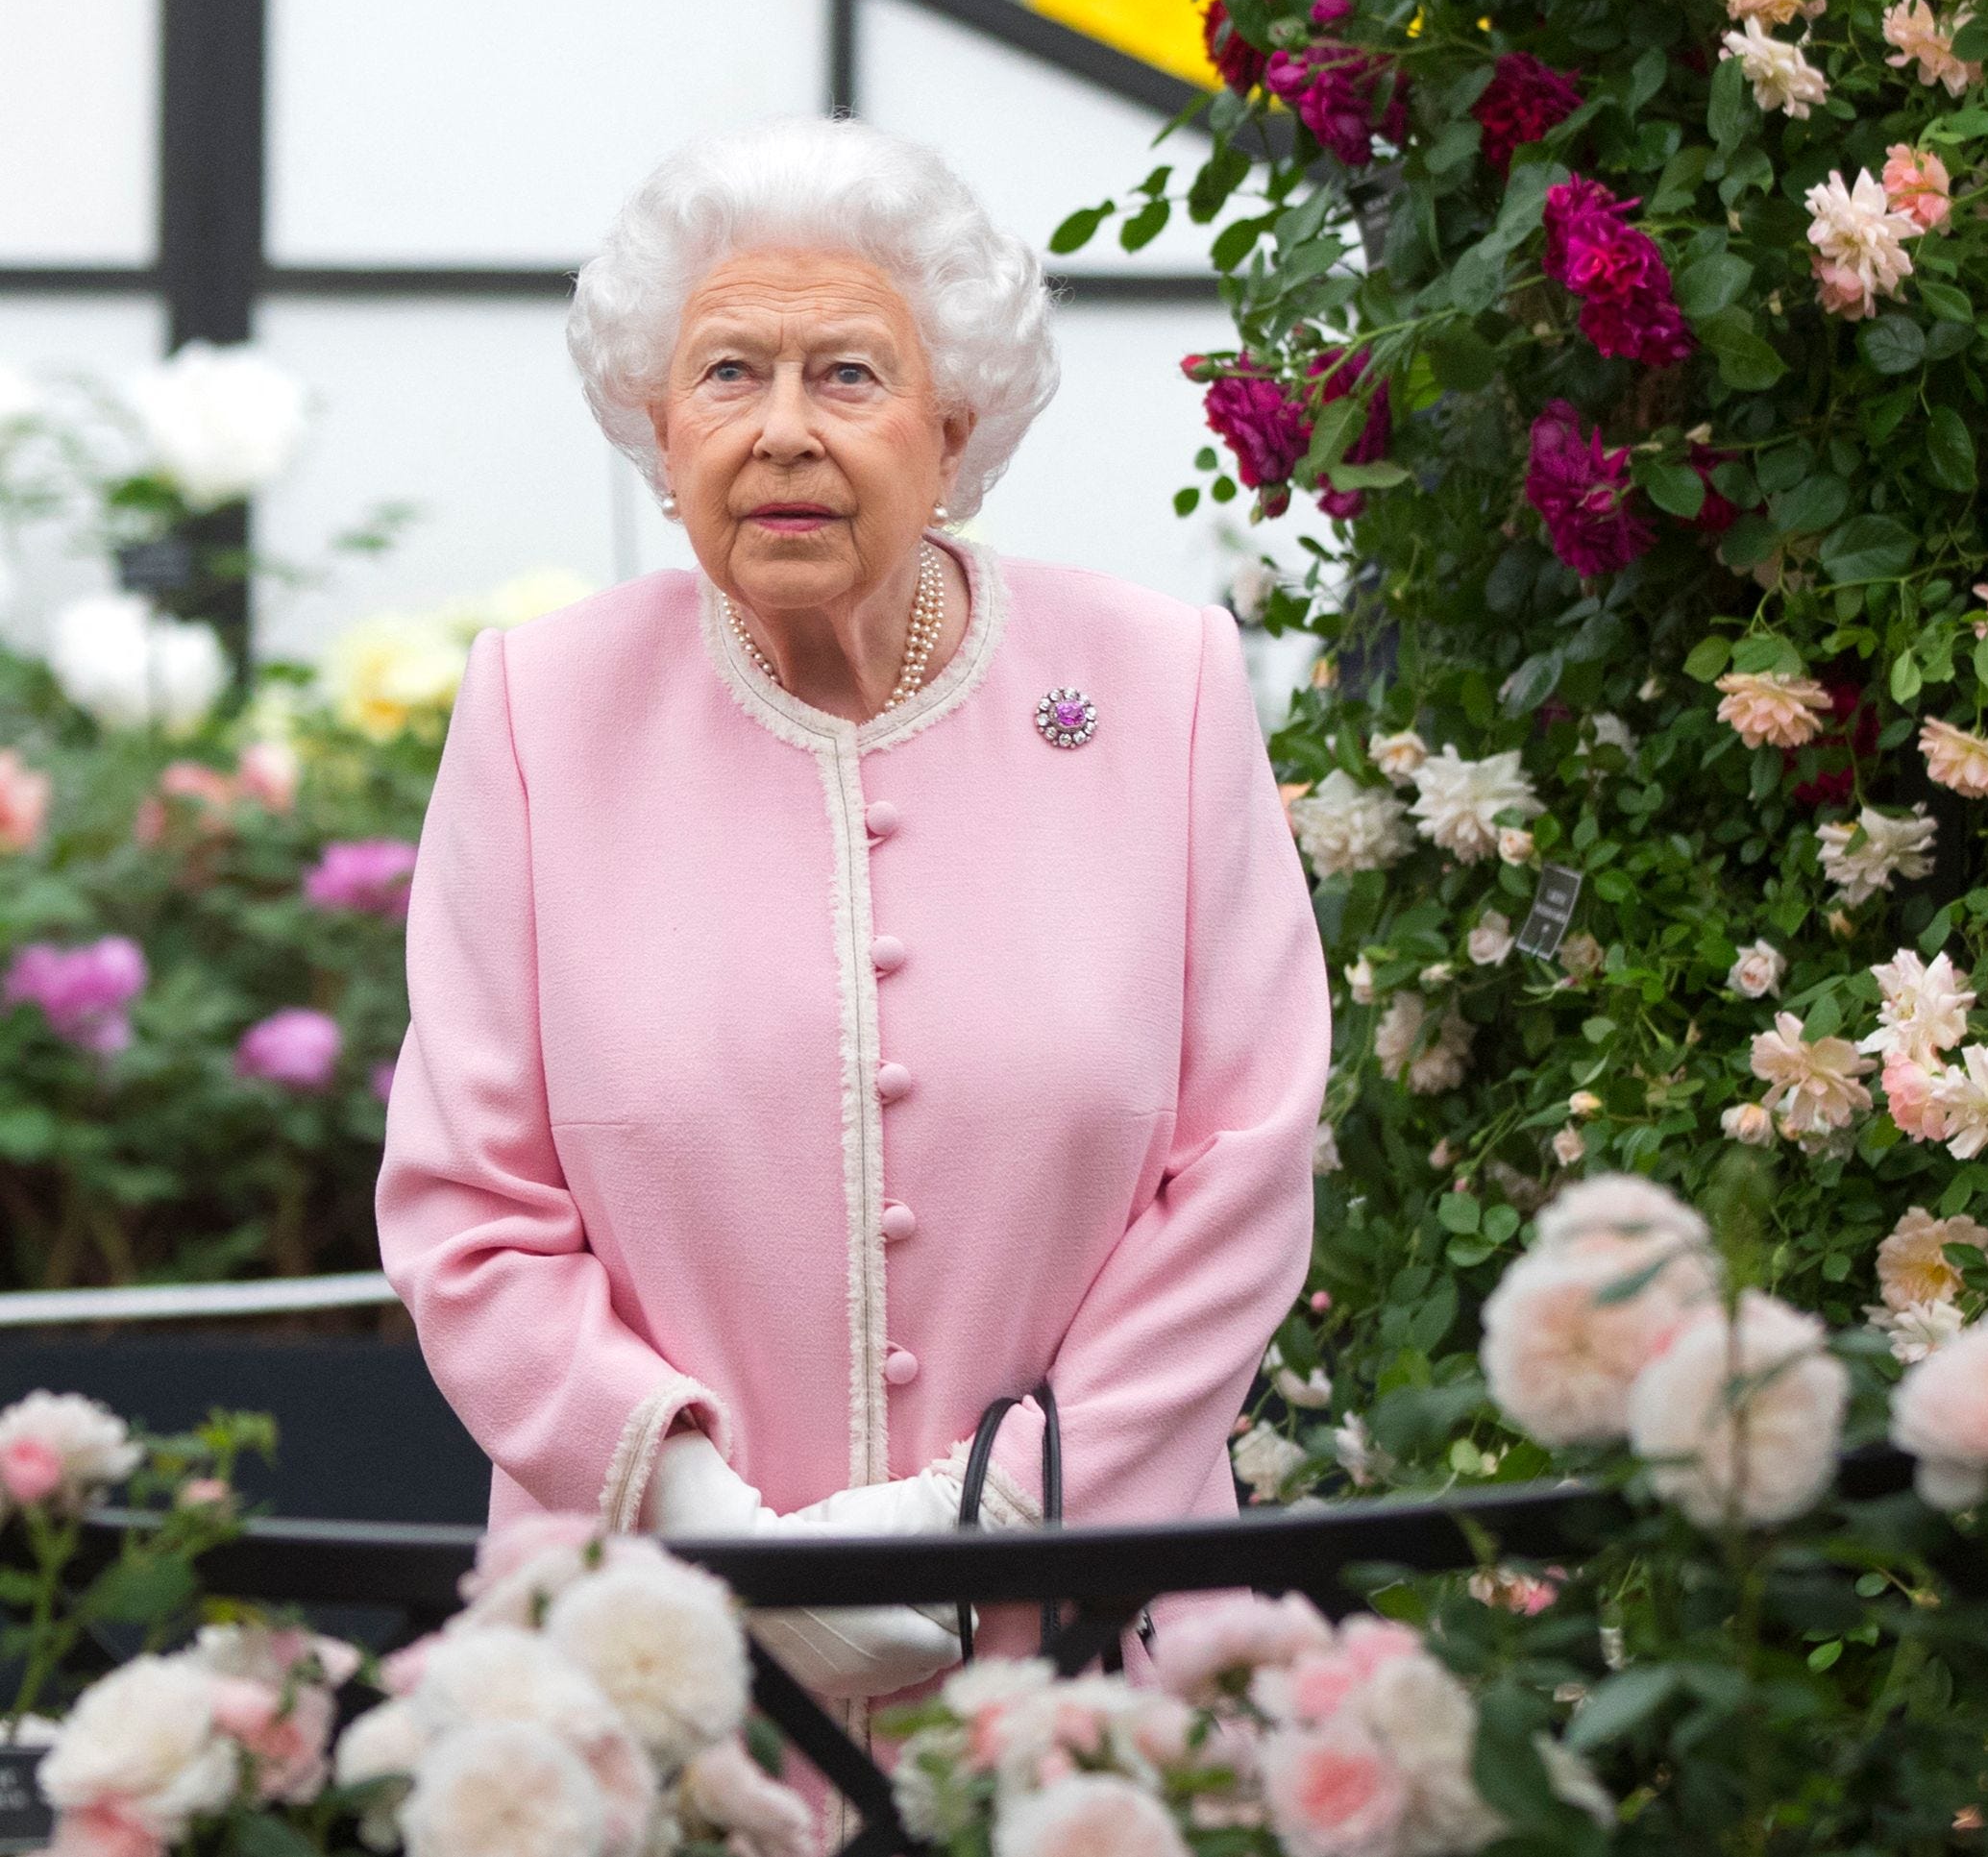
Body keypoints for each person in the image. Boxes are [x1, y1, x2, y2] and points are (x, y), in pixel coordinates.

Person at [374, 118, 1326, 1699]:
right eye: (729, 374)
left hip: (1079, 1641)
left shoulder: (1162, 689)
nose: (783, 432)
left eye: (850, 375)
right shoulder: (539, 710)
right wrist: (718, 1538)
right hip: (657, 1650)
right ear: (658, 423)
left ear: (955, 427)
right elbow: (471, 1208)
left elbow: (1245, 1168)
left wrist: (988, 1516)